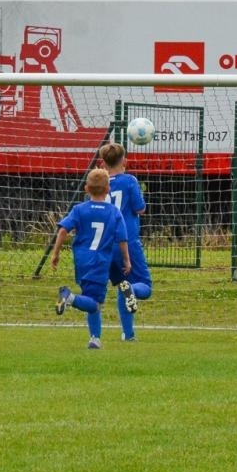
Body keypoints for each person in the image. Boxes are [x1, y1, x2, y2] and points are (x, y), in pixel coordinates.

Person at [49, 167, 131, 350]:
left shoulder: (79, 210)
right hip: (100, 262)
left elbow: (63, 230)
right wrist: (126, 260)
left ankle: (95, 339)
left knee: (92, 299)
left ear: (86, 188)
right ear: (108, 189)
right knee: (95, 303)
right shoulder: (114, 212)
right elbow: (122, 239)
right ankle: (68, 297)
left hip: (82, 261)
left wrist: (56, 253)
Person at [100, 141, 152, 341]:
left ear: (103, 163)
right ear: (125, 161)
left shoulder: (100, 183)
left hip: (105, 245)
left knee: (122, 286)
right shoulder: (130, 181)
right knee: (144, 287)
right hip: (128, 241)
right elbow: (140, 209)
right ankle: (133, 290)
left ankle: (128, 334)